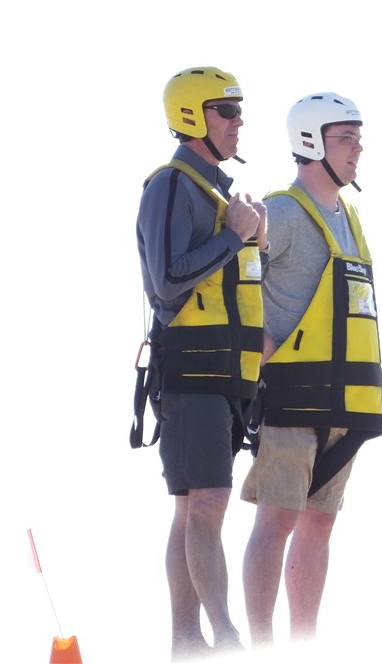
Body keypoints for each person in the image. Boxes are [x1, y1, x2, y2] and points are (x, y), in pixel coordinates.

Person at [241, 92, 382, 646]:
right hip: (292, 395)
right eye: (345, 137)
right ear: (310, 142)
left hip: (345, 401)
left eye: (358, 137)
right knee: (277, 519)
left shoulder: (351, 217)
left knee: (319, 525)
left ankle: (304, 648)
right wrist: (261, 355)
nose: (358, 148)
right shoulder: (280, 212)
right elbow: (236, 284)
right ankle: (261, 650)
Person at [137, 66, 265, 659]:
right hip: (192, 371)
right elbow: (167, 280)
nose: (239, 122)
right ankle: (225, 637)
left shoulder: (219, 192)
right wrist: (234, 238)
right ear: (193, 116)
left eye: (239, 110)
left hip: (229, 376)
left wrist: (254, 238)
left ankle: (186, 643)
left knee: (195, 506)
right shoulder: (170, 185)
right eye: (227, 111)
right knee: (207, 503)